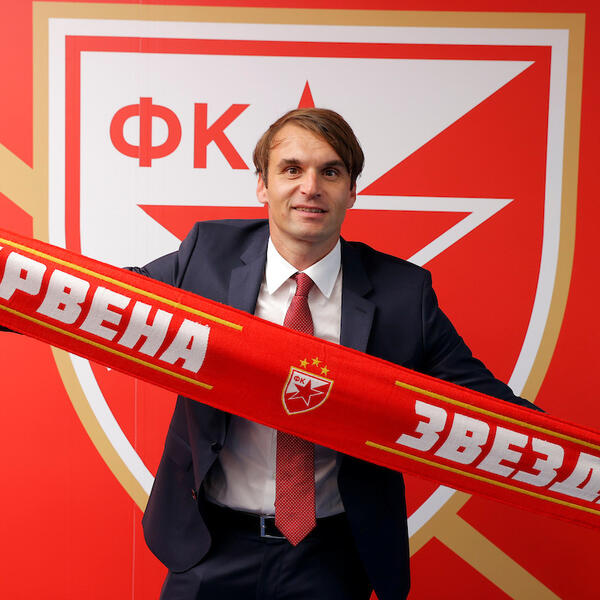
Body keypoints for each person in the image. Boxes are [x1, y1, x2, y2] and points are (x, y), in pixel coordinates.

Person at [132, 108, 537, 599]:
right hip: (210, 544)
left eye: (330, 171)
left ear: (351, 189)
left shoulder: (402, 293)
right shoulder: (207, 255)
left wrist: (582, 465)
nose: (311, 187)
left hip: (331, 557)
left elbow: (487, 403)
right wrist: (38, 284)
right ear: (262, 185)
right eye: (291, 169)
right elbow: (108, 301)